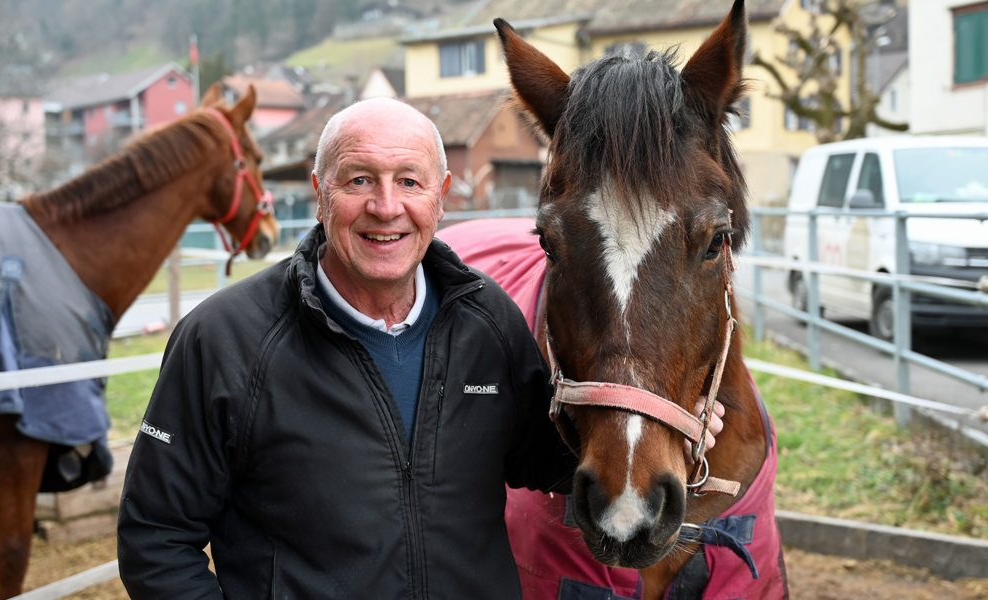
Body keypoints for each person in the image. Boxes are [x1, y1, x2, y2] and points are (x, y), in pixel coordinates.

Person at [117, 97, 723, 599]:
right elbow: (155, 536)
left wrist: (667, 422)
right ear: (320, 192)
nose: (386, 207)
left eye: (409, 181)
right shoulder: (224, 340)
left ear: (442, 195)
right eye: (360, 180)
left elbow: (552, 457)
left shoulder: (486, 321)